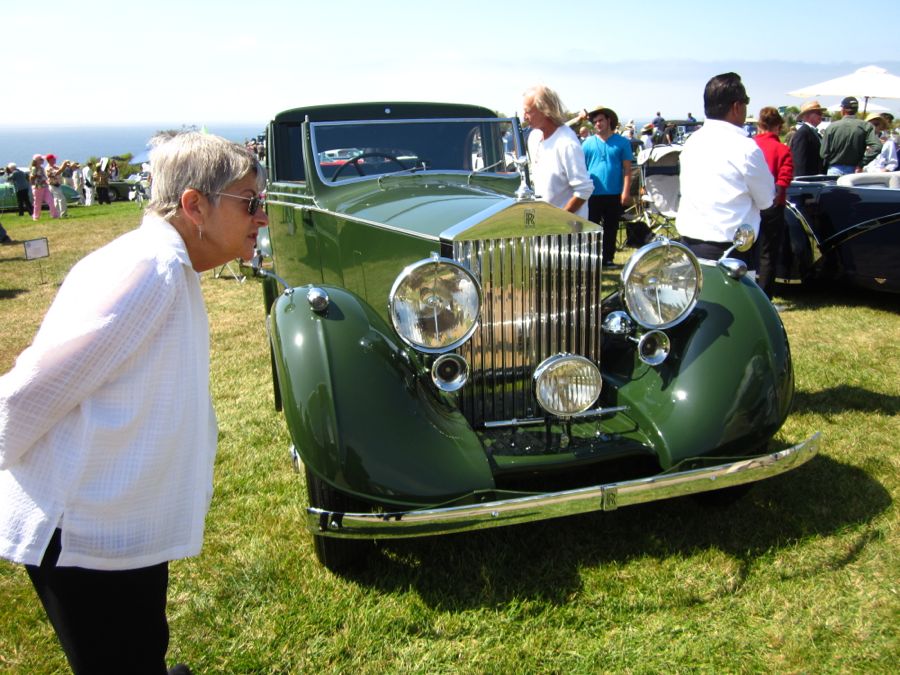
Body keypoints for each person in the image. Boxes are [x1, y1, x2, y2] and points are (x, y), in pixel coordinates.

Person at [0, 132, 268, 674]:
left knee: (141, 649)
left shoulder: (166, 264)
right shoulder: (151, 269)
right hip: (85, 535)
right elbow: (37, 385)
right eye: (249, 202)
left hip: (113, 527)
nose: (260, 218)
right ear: (195, 205)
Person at [675, 72, 774, 262]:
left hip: (689, 243)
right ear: (736, 107)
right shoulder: (745, 147)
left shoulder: (692, 141)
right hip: (730, 248)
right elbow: (766, 200)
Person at [523, 84, 593, 218]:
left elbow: (584, 190)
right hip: (544, 227)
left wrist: (558, 219)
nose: (524, 117)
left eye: (528, 111)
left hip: (568, 232)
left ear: (544, 110)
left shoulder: (567, 144)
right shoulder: (534, 137)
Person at [582, 105, 634, 267]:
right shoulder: (587, 144)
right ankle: (592, 259)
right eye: (595, 121)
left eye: (601, 120)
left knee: (611, 228)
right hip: (592, 192)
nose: (597, 124)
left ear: (608, 120)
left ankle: (608, 258)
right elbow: (581, 169)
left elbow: (627, 169)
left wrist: (625, 192)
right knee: (592, 227)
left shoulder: (622, 142)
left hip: (614, 192)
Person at [753, 107, 794, 299]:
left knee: (748, 249)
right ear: (778, 126)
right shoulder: (782, 149)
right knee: (768, 253)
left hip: (750, 205)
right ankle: (765, 297)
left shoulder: (750, 145)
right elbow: (784, 177)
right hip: (772, 206)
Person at [820, 96, 881, 175]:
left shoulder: (832, 127)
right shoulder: (865, 126)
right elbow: (877, 146)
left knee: (834, 188)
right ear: (856, 110)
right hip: (855, 170)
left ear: (843, 109)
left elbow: (823, 153)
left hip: (834, 169)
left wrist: (834, 159)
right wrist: (862, 163)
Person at [790, 100, 827, 177]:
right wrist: (802, 182)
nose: (821, 116)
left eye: (821, 113)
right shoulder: (802, 133)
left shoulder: (814, 132)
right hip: (807, 182)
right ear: (807, 115)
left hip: (815, 179)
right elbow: (799, 161)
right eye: (818, 113)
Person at [29, 154, 59, 220]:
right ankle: (36, 216)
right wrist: (35, 182)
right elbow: (31, 178)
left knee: (50, 201)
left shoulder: (41, 168)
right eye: (41, 159)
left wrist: (45, 181)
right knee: (38, 203)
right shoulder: (34, 168)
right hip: (37, 187)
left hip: (44, 186)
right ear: (37, 161)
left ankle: (54, 215)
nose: (43, 160)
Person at [45, 154, 69, 218]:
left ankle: (55, 214)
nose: (55, 160)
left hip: (56, 185)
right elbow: (58, 172)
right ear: (50, 160)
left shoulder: (54, 166)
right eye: (54, 159)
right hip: (54, 185)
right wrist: (64, 164)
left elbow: (61, 169)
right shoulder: (48, 168)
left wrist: (66, 165)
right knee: (62, 199)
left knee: (56, 200)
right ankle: (63, 214)